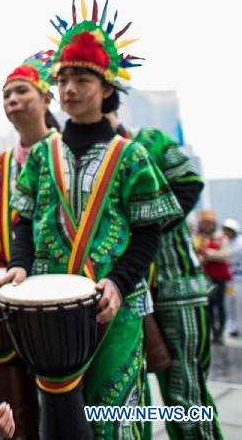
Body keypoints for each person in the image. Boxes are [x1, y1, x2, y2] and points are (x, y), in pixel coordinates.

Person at [0, 0, 182, 438]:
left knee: (113, 417)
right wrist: (20, 264)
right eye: (62, 79)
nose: (69, 90)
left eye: (82, 79)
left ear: (106, 88)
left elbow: (147, 233)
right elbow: (24, 222)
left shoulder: (132, 155)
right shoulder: (41, 156)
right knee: (61, 420)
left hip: (114, 304)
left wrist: (119, 283)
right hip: (50, 304)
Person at [106, 114, 223, 439]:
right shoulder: (85, 154)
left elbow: (189, 183)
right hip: (126, 295)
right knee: (129, 396)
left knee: (185, 392)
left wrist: (145, 227)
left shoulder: (151, 140)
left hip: (176, 287)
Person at [0, 50, 57, 440]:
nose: (12, 100)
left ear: (46, 97)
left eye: (21, 91)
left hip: (63, 290)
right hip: (10, 291)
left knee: (63, 404)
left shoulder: (70, 154)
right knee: (15, 403)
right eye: (6, 94)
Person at [195, 211, 232, 345]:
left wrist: (208, 255)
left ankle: (220, 332)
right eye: (205, 223)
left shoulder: (221, 238)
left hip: (219, 277)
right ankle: (211, 332)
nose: (207, 226)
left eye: (209, 223)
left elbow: (225, 254)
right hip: (204, 278)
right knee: (207, 306)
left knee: (220, 305)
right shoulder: (198, 238)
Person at [224, 219, 242, 338]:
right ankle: (233, 328)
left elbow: (227, 255)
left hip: (239, 278)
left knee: (239, 304)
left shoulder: (239, 243)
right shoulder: (225, 242)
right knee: (230, 304)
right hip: (229, 279)